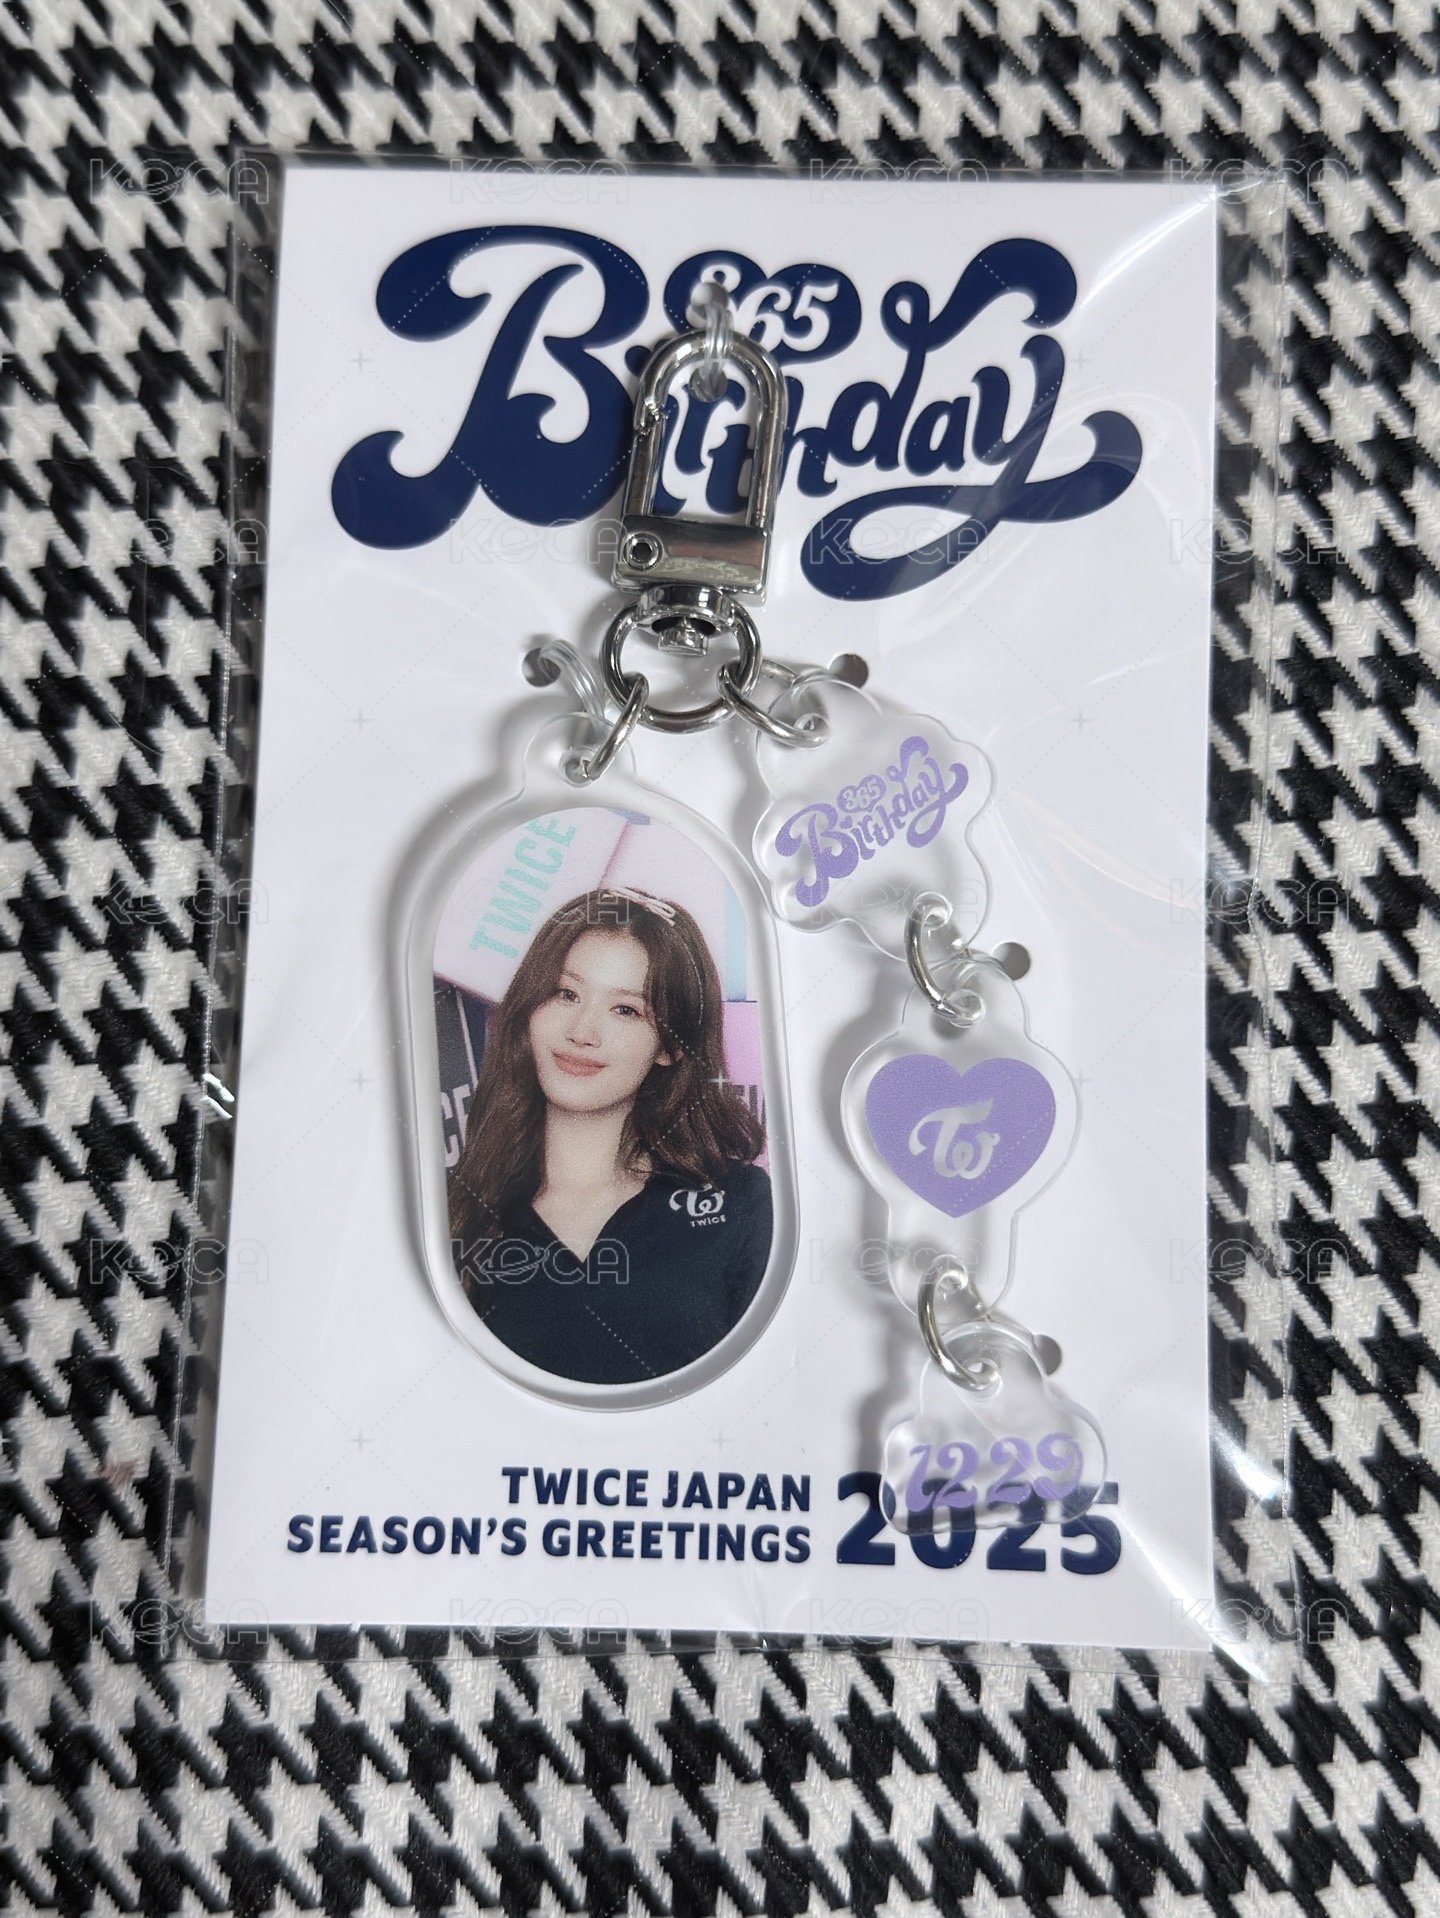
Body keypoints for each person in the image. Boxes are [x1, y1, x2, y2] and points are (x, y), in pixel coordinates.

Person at [448, 886, 772, 1385]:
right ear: (530, 1009)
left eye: (626, 1010)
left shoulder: (740, 1204)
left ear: (671, 1045)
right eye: (566, 993)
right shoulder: (454, 1209)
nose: (582, 1031)